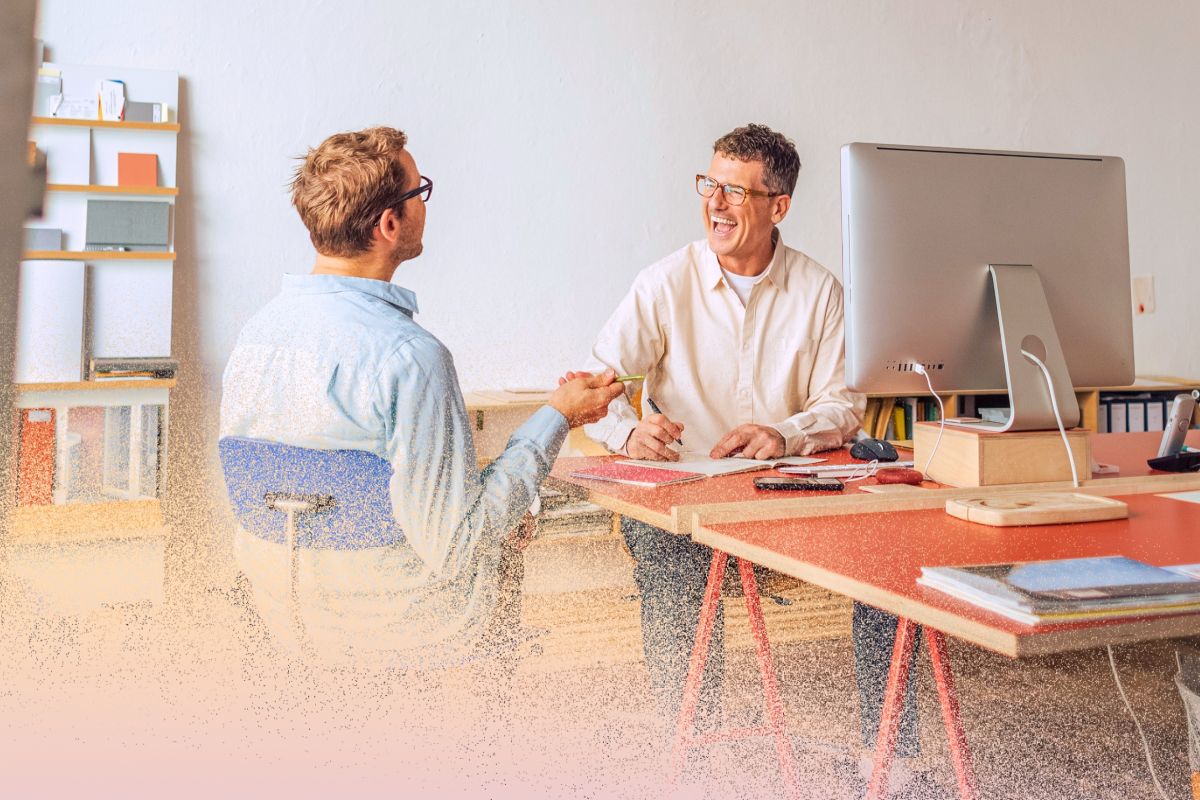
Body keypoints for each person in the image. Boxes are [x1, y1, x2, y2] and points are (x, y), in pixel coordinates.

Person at [220, 126, 623, 665]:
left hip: (285, 616)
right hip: (401, 627)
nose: (424, 205)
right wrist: (556, 416)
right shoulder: (411, 357)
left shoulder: (256, 334)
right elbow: (459, 545)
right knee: (503, 527)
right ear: (390, 223)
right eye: (419, 192)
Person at [581, 124, 907, 752]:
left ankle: (889, 756)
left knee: (887, 562)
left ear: (778, 206)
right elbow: (598, 387)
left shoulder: (821, 293)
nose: (715, 203)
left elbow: (843, 406)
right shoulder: (663, 284)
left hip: (790, 497)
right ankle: (693, 752)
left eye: (735, 191)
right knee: (666, 560)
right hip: (690, 501)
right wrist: (628, 433)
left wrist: (782, 434)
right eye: (710, 185)